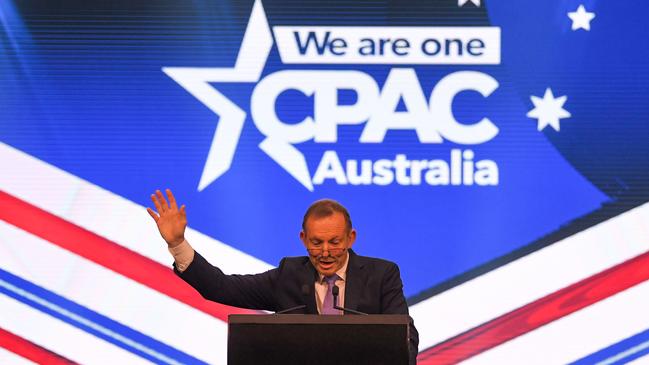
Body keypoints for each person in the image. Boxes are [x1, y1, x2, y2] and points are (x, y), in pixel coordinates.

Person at [147, 189, 419, 363]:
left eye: (335, 242)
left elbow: (405, 336)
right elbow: (221, 287)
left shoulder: (382, 274)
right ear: (303, 239)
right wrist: (177, 244)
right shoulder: (289, 275)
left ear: (351, 238)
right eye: (316, 242)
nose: (325, 252)